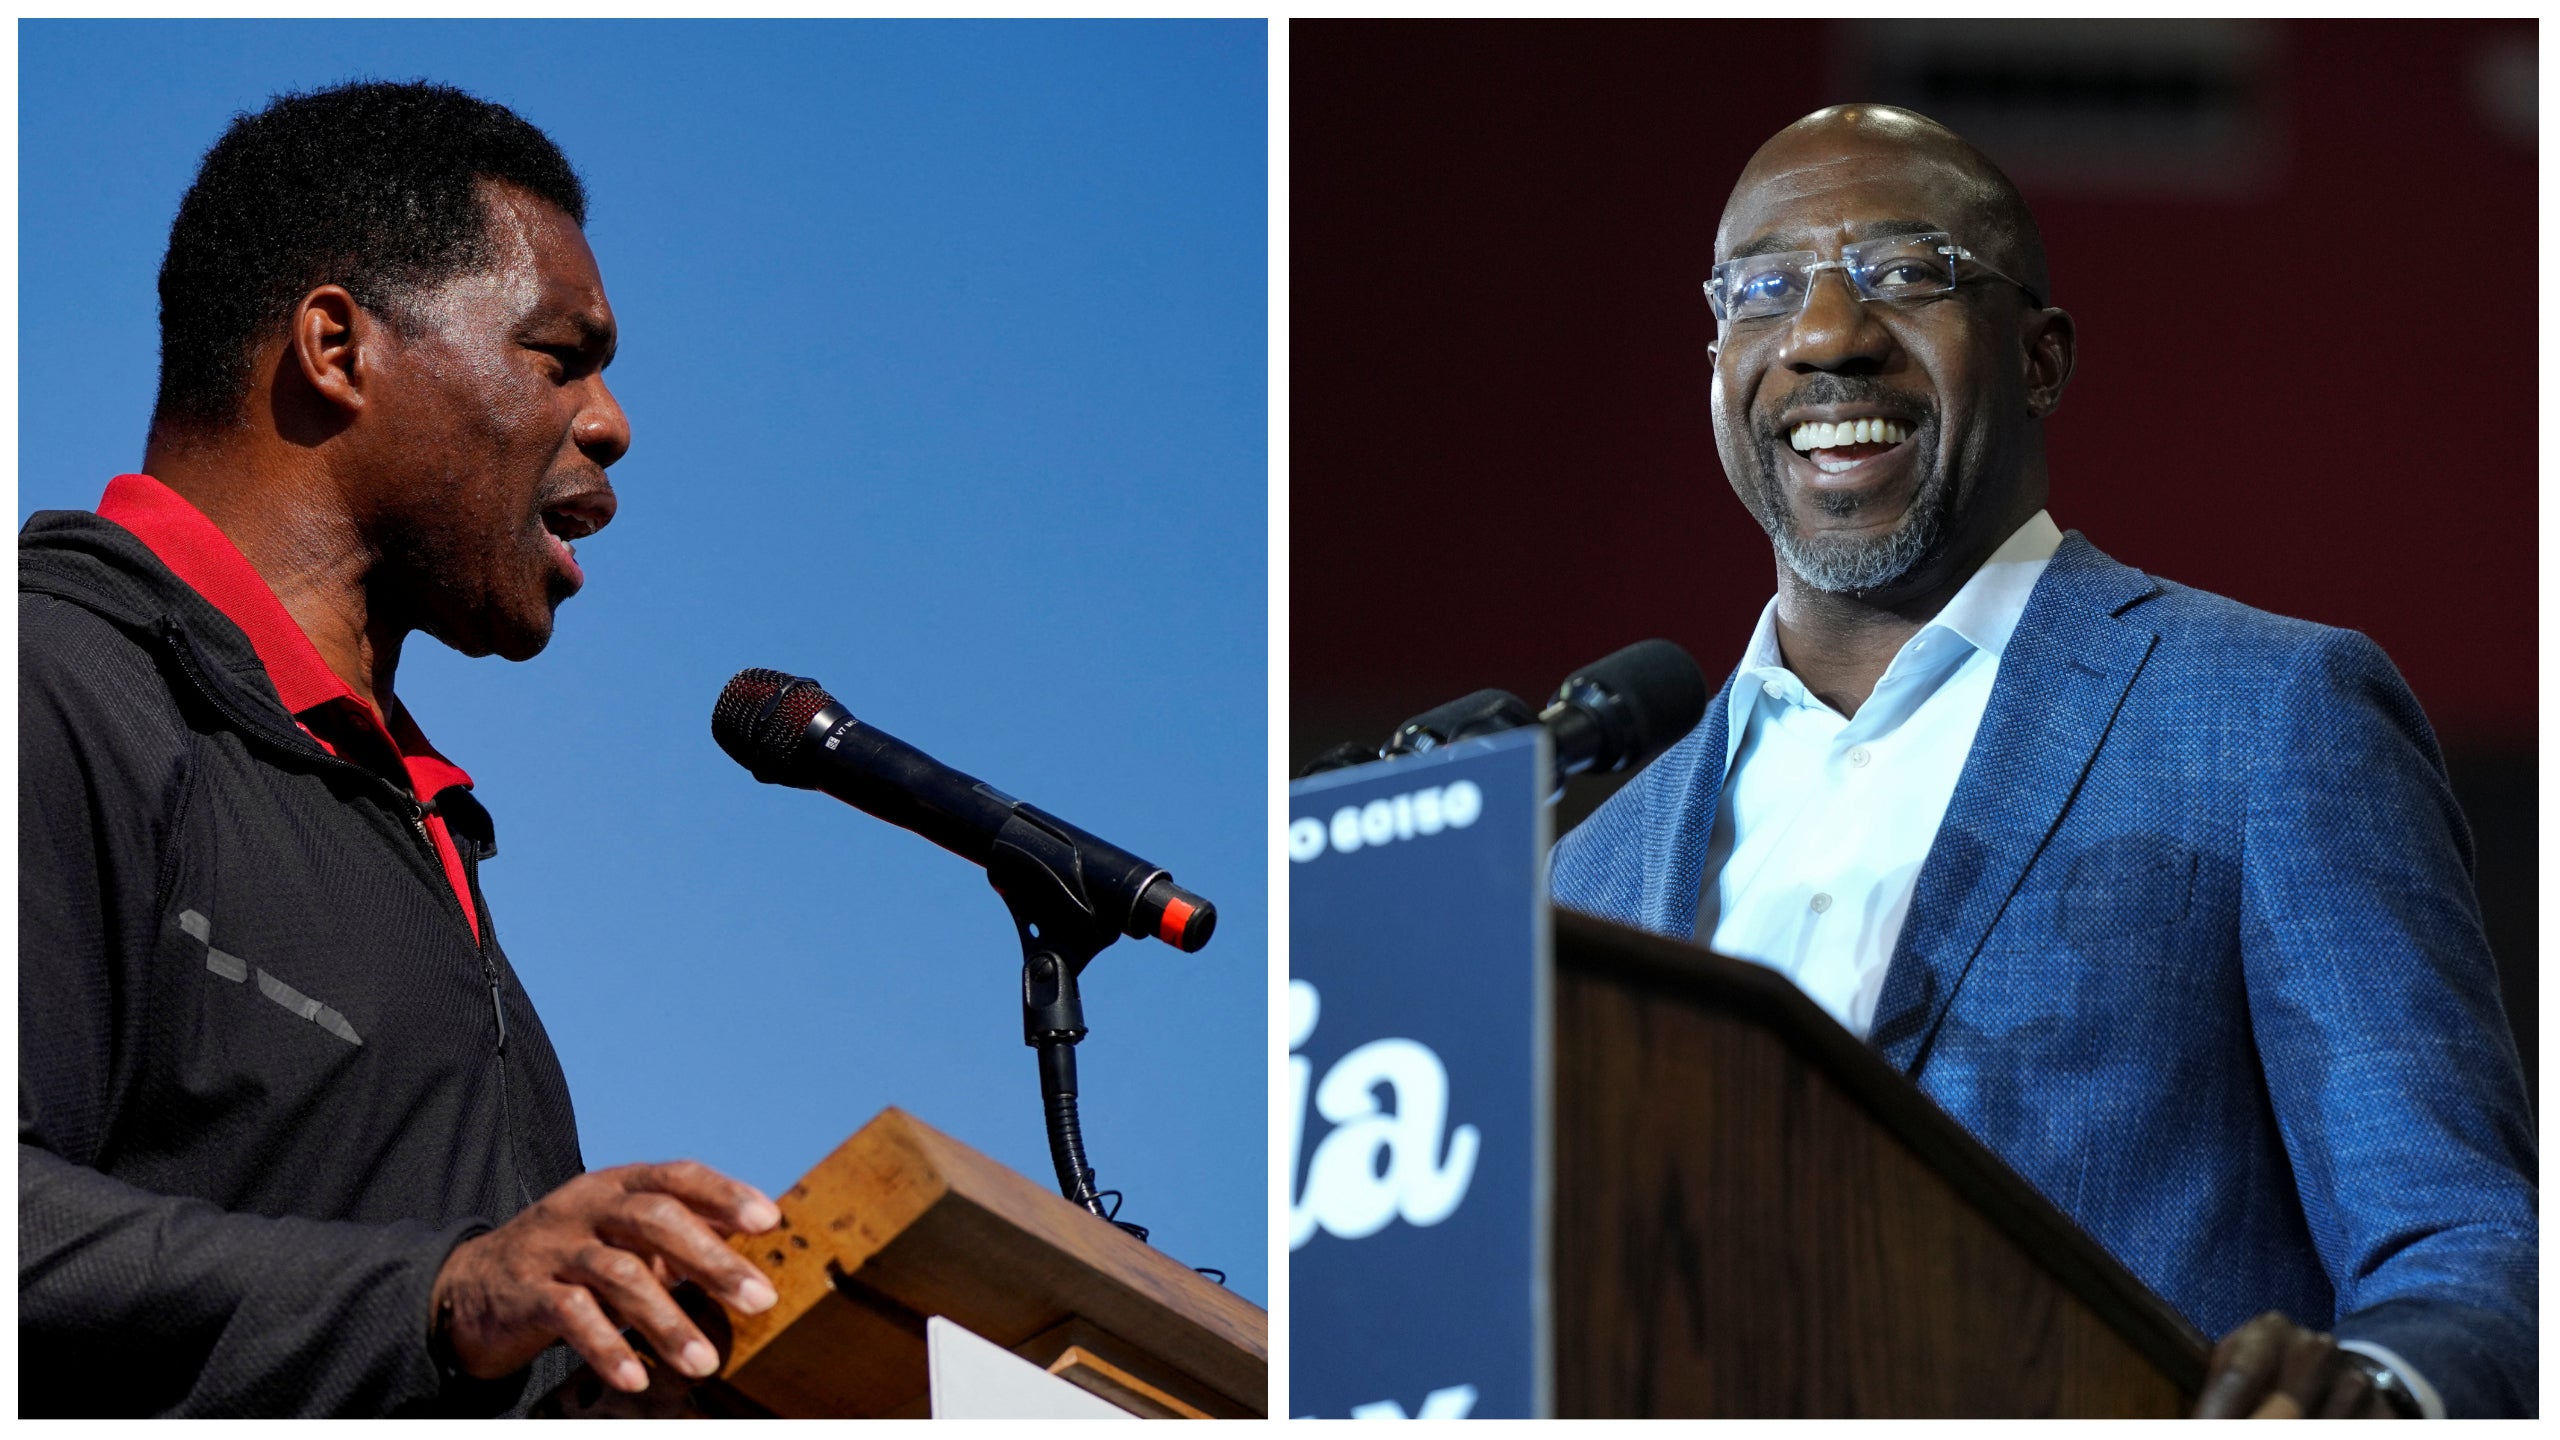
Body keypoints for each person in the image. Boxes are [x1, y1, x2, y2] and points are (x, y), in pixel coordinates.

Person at [1549, 104, 2535, 1419]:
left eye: (1907, 273)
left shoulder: (2270, 710)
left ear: (2040, 358)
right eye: (1767, 288)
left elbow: (2467, 1254)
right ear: (1718, 359)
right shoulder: (1589, 869)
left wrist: (2371, 1394)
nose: (1829, 336)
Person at [20, 81, 783, 1417]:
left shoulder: (417, 835)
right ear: (337, 346)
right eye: (562, 354)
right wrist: (440, 1295)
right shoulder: (55, 683)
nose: (610, 423)